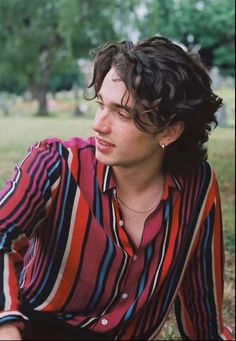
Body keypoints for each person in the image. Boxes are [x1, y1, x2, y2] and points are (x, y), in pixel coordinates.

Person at [0, 36, 233, 340]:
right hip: (32, 330)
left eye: (122, 113)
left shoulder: (197, 188)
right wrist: (5, 325)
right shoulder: (55, 163)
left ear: (170, 130)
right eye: (101, 105)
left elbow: (203, 313)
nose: (99, 124)